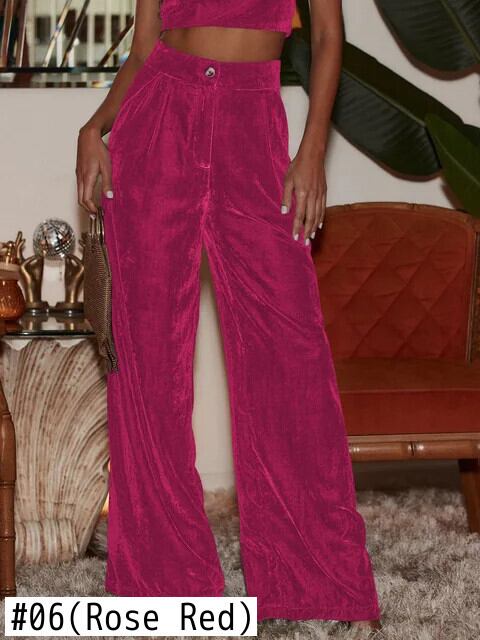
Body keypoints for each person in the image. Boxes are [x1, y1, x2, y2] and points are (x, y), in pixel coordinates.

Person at [76, 0, 382, 632]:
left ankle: (313, 583)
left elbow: (329, 36)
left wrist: (312, 151)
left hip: (253, 119)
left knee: (290, 362)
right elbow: (144, 47)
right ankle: (165, 587)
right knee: (148, 363)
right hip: (159, 119)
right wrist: (94, 128)